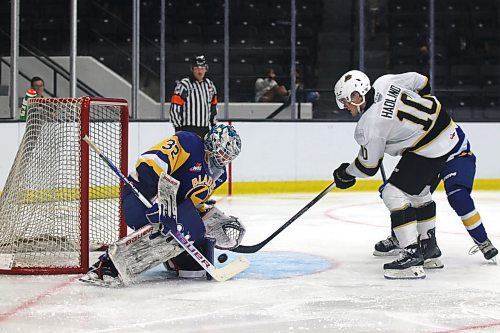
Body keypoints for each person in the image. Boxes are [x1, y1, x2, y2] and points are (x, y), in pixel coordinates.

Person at [332, 70, 461, 280]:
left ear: (357, 95)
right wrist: (425, 102)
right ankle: (429, 249)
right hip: (447, 130)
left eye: (345, 101)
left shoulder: (369, 125)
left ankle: (411, 255)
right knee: (418, 192)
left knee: (392, 193)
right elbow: (421, 80)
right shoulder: (385, 81)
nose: (344, 106)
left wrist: (346, 173)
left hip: (429, 147)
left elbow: (368, 166)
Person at [82, 124, 244, 285]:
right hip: (141, 197)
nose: (224, 159)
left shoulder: (219, 176)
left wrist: (204, 215)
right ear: (212, 143)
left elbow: (192, 201)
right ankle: (107, 265)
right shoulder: (189, 143)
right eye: (223, 152)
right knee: (170, 226)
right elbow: (150, 162)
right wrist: (157, 199)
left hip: (171, 208)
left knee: (195, 231)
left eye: (229, 157)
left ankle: (176, 259)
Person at [373, 124, 498, 262]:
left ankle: (483, 241)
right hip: (428, 158)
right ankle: (409, 241)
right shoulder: (400, 120)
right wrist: (396, 183)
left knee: (458, 196)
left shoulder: (420, 113)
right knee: (408, 194)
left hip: (455, 155)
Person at [169, 55, 218, 139]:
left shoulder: (209, 85)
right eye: (197, 68)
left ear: (206, 69)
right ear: (192, 69)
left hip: (205, 130)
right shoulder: (184, 85)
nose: (200, 71)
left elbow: (213, 108)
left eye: (202, 68)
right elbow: (175, 108)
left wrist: (213, 126)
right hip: (187, 129)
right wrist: (178, 128)